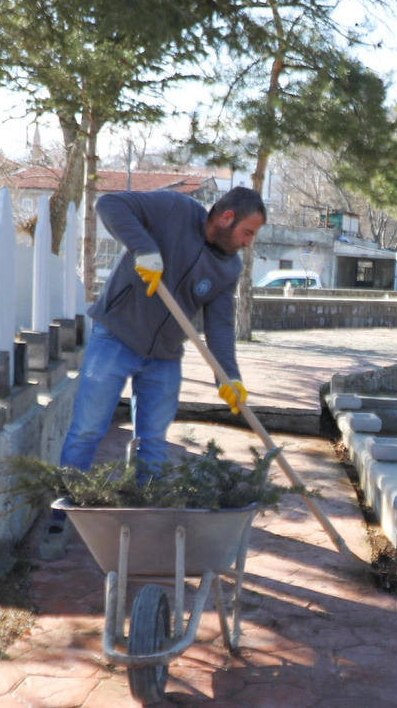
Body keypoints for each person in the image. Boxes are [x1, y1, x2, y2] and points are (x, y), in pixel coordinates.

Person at [39, 186, 266, 559]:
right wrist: (144, 247)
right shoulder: (174, 210)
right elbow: (108, 203)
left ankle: (145, 520)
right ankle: (61, 516)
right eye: (248, 233)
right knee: (88, 429)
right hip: (115, 338)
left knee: (154, 442)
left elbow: (221, 326)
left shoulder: (229, 267)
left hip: (164, 357)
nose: (247, 243)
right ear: (228, 218)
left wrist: (230, 377)